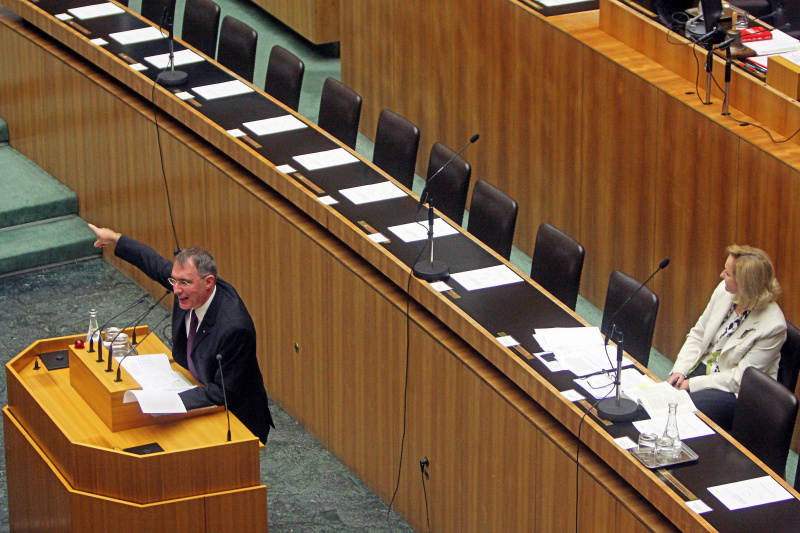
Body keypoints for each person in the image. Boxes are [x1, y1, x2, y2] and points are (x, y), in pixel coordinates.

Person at [88, 223, 274, 443]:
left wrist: (167, 401)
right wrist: (115, 238)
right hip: (199, 384)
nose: (176, 290)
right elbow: (155, 264)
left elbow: (223, 392)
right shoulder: (186, 285)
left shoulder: (234, 328)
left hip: (235, 419)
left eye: (184, 283)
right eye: (174, 281)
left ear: (208, 282)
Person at [667, 244, 786, 430]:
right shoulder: (724, 291)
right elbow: (698, 334)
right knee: (663, 398)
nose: (721, 275)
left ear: (745, 285)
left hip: (732, 390)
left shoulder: (773, 326)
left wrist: (692, 384)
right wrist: (679, 371)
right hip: (703, 368)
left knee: (681, 411)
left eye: (728, 273)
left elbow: (741, 378)